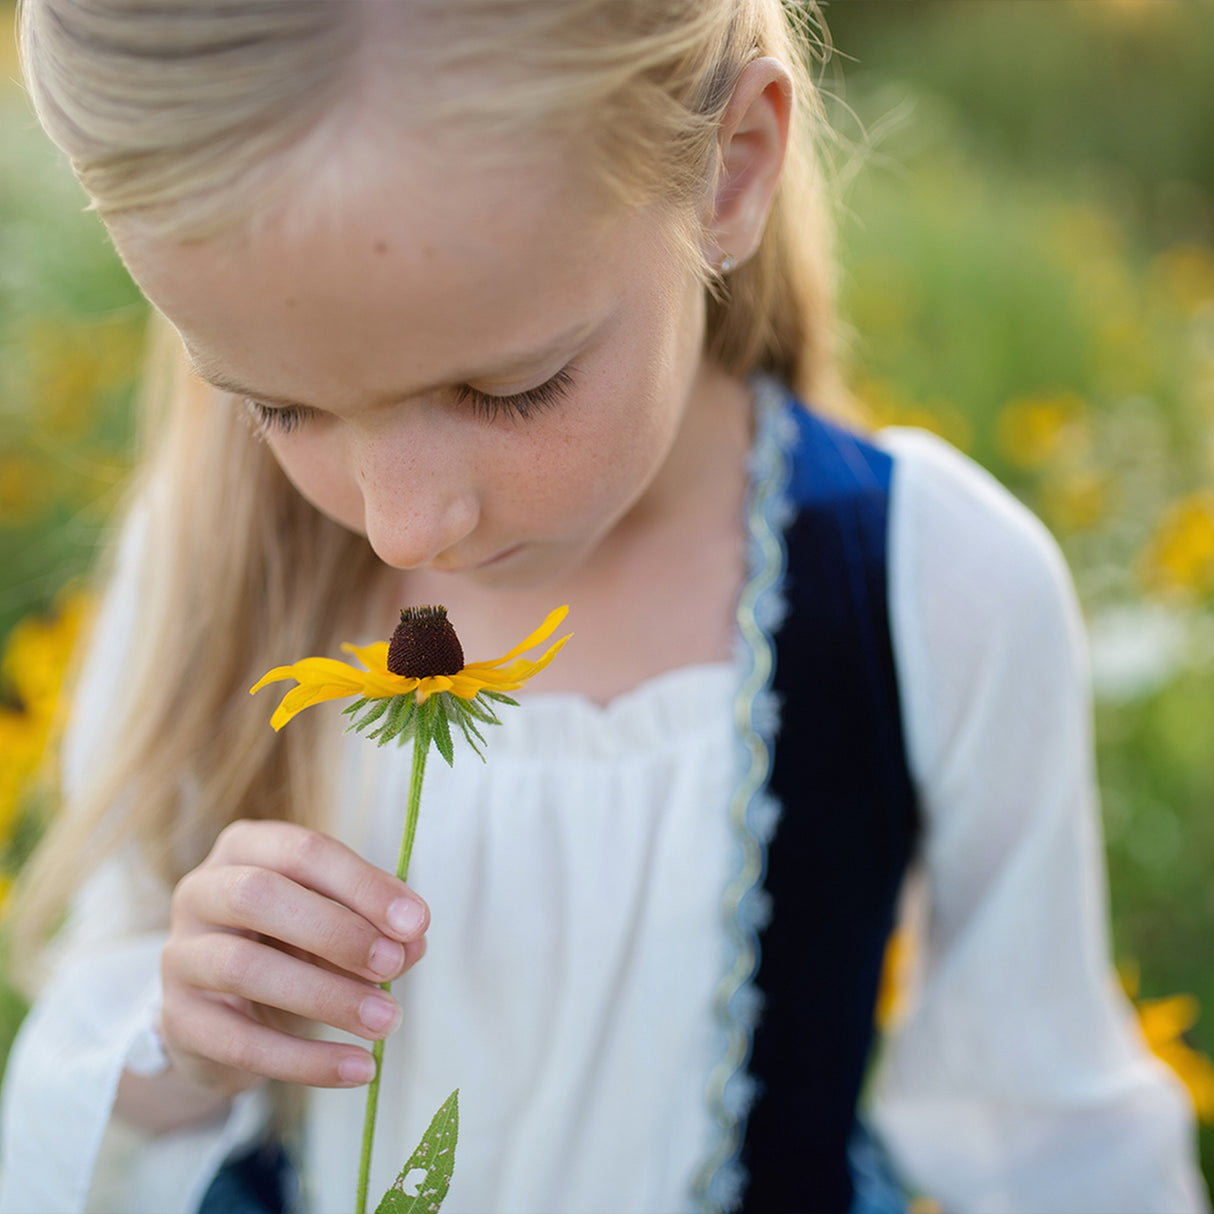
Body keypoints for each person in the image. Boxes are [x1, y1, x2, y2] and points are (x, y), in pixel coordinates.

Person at [0, 1, 1207, 1212]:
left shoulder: (929, 584)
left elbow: (1044, 1131)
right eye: (280, 406)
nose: (404, 525)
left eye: (506, 387)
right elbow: (91, 1045)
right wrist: (188, 1035)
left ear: (729, 172)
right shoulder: (212, 559)